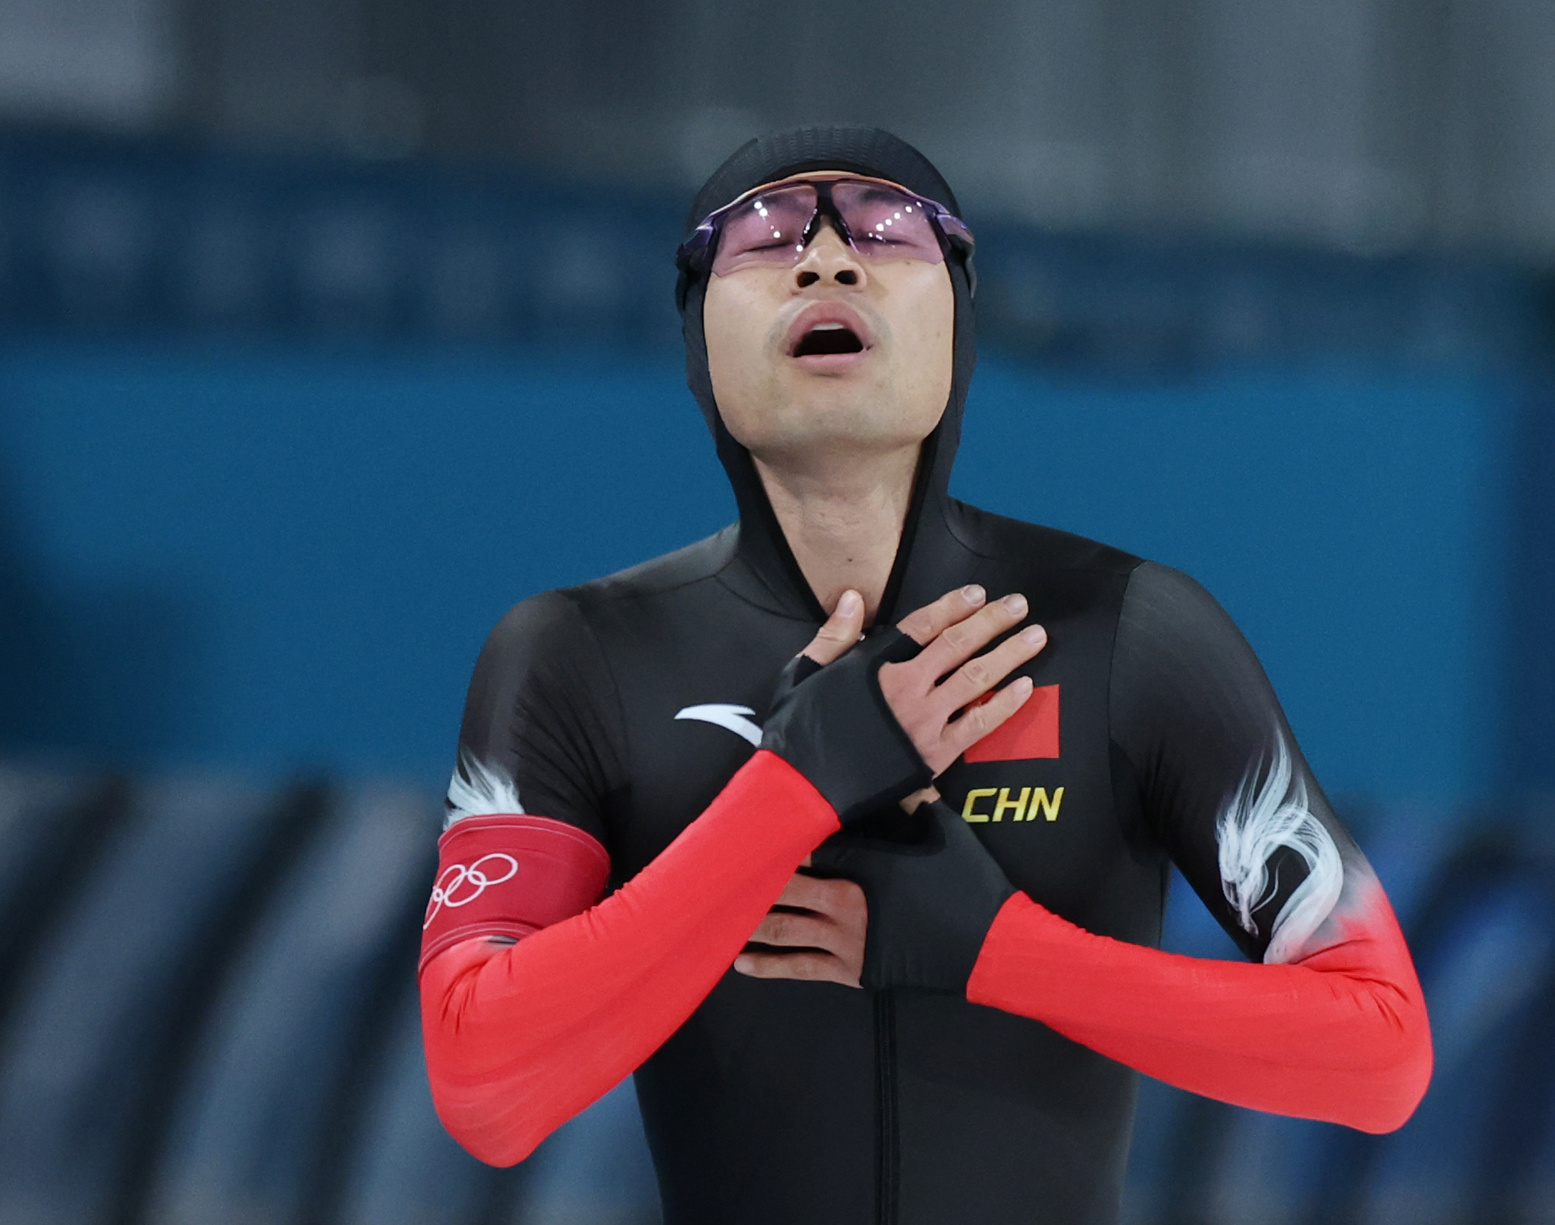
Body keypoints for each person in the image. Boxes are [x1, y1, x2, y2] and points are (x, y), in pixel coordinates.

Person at [418, 126, 1432, 1225]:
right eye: (763, 235)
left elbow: (1378, 1053)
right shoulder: (579, 655)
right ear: (698, 338)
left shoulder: (1129, 632)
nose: (825, 258)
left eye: (885, 227)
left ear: (959, 320)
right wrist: (796, 785)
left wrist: (1000, 951)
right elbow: (484, 1084)